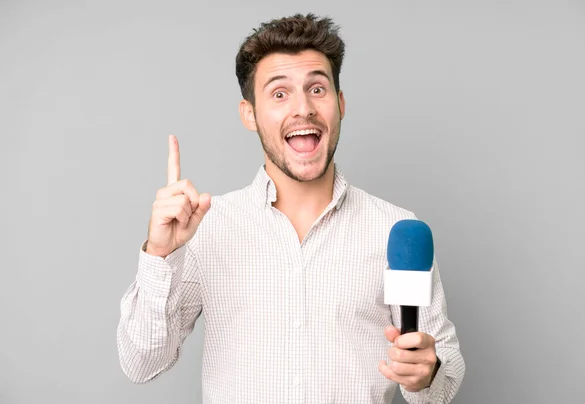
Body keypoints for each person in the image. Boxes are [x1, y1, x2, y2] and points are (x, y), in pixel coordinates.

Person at [116, 13, 465, 404]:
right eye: (279, 94)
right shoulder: (208, 230)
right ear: (249, 114)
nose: (303, 108)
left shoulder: (396, 230)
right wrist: (160, 253)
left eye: (317, 89)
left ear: (340, 103)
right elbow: (140, 362)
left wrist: (426, 373)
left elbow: (440, 381)